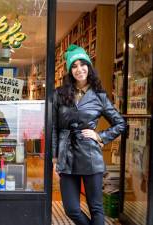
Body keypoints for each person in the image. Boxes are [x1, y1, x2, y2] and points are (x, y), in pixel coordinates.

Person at [52, 44, 126, 225]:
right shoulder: (59, 94)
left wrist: (99, 136)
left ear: (89, 66)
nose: (79, 69)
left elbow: (120, 123)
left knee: (96, 208)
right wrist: (54, 159)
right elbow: (53, 127)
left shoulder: (99, 96)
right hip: (66, 157)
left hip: (90, 156)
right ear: (70, 70)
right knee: (71, 209)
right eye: (74, 66)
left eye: (82, 64)